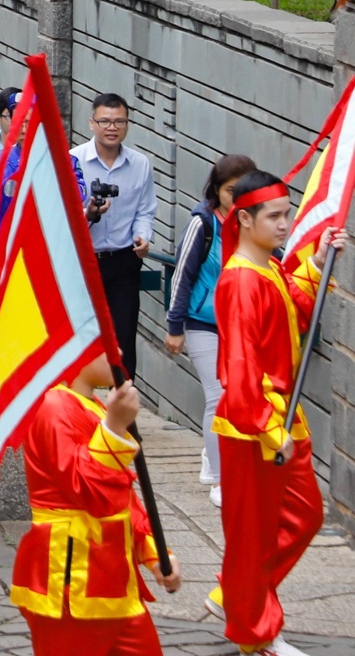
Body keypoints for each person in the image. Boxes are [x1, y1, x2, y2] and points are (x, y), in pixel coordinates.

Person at [210, 172, 343, 656]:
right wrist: (267, 426)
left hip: (280, 420)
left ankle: (239, 592)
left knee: (303, 516)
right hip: (256, 425)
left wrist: (319, 258)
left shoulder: (265, 271)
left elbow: (293, 314)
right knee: (254, 533)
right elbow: (240, 364)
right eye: (276, 216)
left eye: (288, 213)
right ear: (244, 219)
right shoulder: (241, 281)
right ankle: (257, 633)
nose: (286, 224)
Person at [10, 353, 179, 652]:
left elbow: (123, 496)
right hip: (71, 578)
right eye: (105, 345)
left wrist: (153, 552)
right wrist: (114, 428)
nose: (120, 354)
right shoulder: (51, 407)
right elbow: (90, 491)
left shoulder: (94, 407)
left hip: (111, 578)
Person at [165, 153, 257, 505]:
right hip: (203, 322)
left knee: (238, 396)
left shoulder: (255, 222)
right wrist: (175, 326)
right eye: (231, 190)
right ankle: (220, 480)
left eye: (245, 190)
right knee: (218, 397)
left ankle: (210, 452)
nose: (237, 197)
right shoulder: (203, 223)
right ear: (216, 190)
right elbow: (182, 274)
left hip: (242, 325)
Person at [74, 92, 156, 378]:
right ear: (92, 123)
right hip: (82, 262)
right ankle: (76, 410)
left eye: (119, 121)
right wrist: (89, 212)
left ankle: (124, 415)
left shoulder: (140, 164)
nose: (112, 128)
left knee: (123, 344)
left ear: (127, 125)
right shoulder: (74, 161)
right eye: (105, 121)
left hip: (123, 262)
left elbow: (145, 210)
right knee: (76, 340)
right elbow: (63, 217)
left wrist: (143, 236)